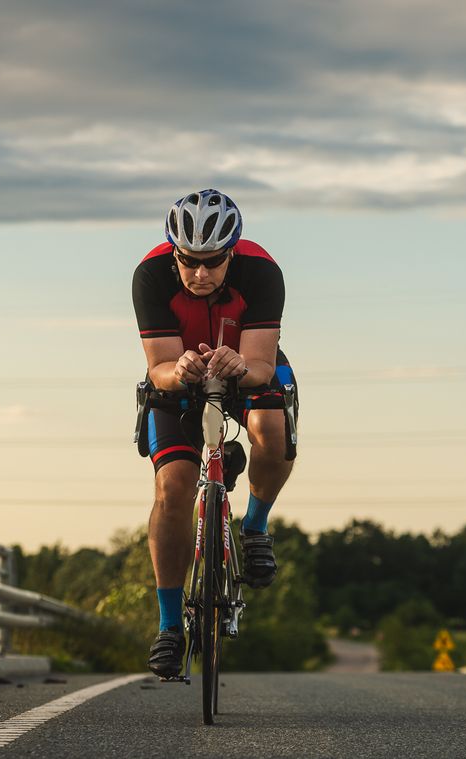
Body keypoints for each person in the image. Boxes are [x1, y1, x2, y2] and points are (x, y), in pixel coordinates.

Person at [131, 188, 298, 678]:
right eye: (189, 262)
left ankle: (255, 527)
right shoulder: (149, 276)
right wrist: (177, 367)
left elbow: (264, 366)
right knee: (174, 486)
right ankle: (168, 628)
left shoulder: (262, 272)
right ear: (174, 253)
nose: (201, 274)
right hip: (178, 374)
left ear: (232, 253)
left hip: (246, 363)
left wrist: (240, 367)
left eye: (213, 262)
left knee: (271, 424)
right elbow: (157, 366)